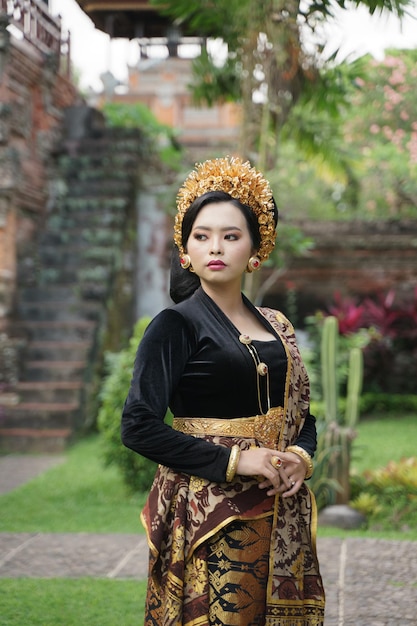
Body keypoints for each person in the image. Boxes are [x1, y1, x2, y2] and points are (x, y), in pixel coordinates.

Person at [121, 156, 325, 625]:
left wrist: (299, 456)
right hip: (208, 513)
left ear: (256, 248)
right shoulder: (175, 325)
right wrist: (236, 461)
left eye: (231, 236)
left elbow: (302, 417)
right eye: (202, 236)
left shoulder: (276, 326)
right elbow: (137, 426)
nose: (216, 247)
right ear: (185, 250)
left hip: (278, 512)